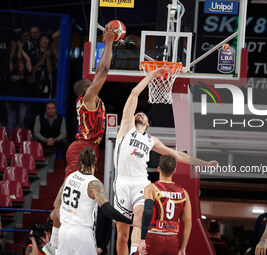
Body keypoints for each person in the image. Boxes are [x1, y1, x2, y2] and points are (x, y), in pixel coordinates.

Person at [114, 73, 217, 255]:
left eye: (144, 115)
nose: (140, 114)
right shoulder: (126, 128)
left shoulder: (151, 140)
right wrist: (151, 75)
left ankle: (135, 252)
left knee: (139, 218)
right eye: (138, 113)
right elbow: (134, 94)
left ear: (147, 125)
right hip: (121, 183)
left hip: (140, 183)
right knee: (122, 235)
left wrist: (204, 163)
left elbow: (177, 155)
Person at [42, 26, 116, 255]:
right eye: (89, 82)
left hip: (86, 147)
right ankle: (53, 244)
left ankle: (54, 241)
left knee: (71, 194)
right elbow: (103, 70)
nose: (92, 81)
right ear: (86, 89)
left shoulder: (90, 101)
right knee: (65, 196)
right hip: (82, 147)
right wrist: (109, 43)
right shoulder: (89, 98)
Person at [53, 147, 132, 255]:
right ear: (95, 161)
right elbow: (107, 210)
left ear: (80, 161)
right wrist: (129, 221)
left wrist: (66, 221)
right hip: (82, 232)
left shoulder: (70, 177)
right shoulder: (94, 184)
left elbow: (57, 203)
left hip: (64, 230)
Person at [136, 155, 191, 255]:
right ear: (174, 170)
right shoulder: (184, 193)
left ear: (158, 169)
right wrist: (183, 248)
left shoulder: (151, 188)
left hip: (154, 237)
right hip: (173, 239)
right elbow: (188, 223)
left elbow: (147, 212)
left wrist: (143, 239)